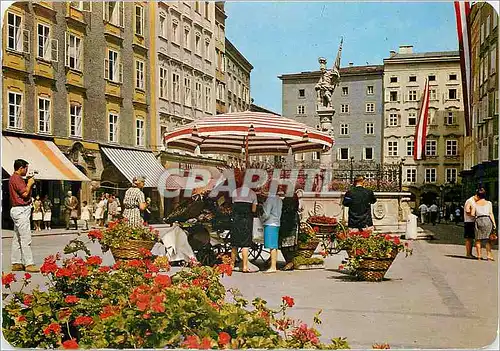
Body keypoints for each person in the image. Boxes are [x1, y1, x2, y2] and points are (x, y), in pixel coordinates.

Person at [9, 159, 39, 272]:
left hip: (17, 209)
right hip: (21, 209)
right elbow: (25, 193)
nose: (27, 171)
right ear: (21, 168)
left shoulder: (14, 178)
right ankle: (29, 263)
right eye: (26, 168)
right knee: (26, 237)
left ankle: (16, 262)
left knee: (17, 237)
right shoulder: (17, 179)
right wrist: (30, 183)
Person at [231, 175, 258, 273]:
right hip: (246, 221)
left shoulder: (235, 192)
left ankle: (232, 265)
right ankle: (245, 266)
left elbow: (233, 205)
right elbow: (254, 209)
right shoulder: (253, 194)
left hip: (236, 220)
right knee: (245, 245)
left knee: (234, 244)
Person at [261, 189, 283, 273]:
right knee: (274, 245)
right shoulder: (279, 199)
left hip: (270, 223)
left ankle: (273, 266)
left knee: (272, 246)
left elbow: (266, 213)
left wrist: (262, 219)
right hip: (277, 223)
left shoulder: (270, 199)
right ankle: (273, 265)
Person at [471, 188, 497, 261]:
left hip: (478, 220)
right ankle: (489, 256)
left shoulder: (475, 204)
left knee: (478, 239)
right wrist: (494, 223)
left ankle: (479, 255)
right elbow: (491, 213)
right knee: (488, 239)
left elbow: (473, 214)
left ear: (478, 195)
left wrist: (477, 216)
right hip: (487, 220)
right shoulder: (489, 203)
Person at [279, 190, 300, 271]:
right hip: (291, 223)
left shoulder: (287, 200)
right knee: (290, 245)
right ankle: (289, 262)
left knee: (285, 244)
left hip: (287, 223)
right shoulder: (294, 199)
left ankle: (289, 262)